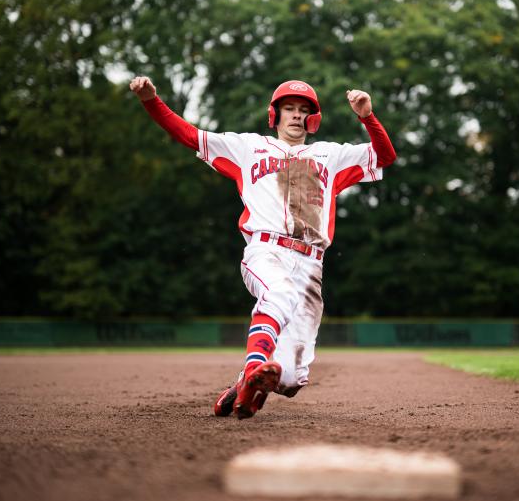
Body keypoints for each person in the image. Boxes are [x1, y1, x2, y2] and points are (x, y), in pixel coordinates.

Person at [129, 76, 396, 419]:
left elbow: (385, 156)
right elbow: (188, 135)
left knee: (290, 379)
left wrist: (367, 117)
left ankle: (246, 383)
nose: (297, 116)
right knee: (279, 295)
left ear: (312, 119)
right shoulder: (247, 147)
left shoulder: (332, 155)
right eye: (289, 109)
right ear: (275, 114)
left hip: (311, 266)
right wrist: (151, 101)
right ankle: (254, 364)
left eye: (303, 110)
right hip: (265, 249)